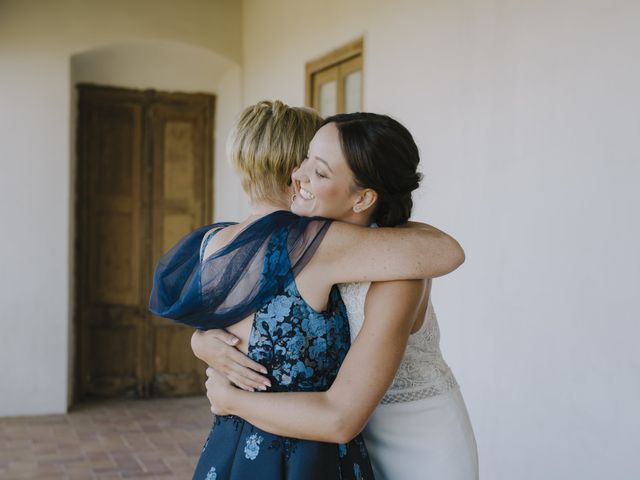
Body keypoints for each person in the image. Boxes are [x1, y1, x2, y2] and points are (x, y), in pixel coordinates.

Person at [149, 101, 465, 480]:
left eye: (318, 169)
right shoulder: (312, 243)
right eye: (304, 160)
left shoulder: (390, 264)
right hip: (337, 428)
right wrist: (205, 340)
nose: (296, 175)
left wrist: (229, 398)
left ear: (362, 197)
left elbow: (448, 251)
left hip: (407, 436)